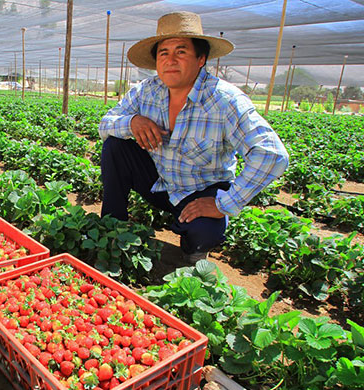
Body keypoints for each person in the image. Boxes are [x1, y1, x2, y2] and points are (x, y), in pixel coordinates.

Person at [99, 11, 288, 264]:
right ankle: (111, 228)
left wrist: (223, 204)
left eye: (181, 52)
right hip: (158, 181)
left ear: (201, 59)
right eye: (163, 53)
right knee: (115, 145)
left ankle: (193, 246)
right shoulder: (146, 91)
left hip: (199, 190)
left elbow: (272, 154)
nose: (170, 60)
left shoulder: (225, 100)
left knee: (204, 232)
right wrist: (132, 122)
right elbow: (105, 124)